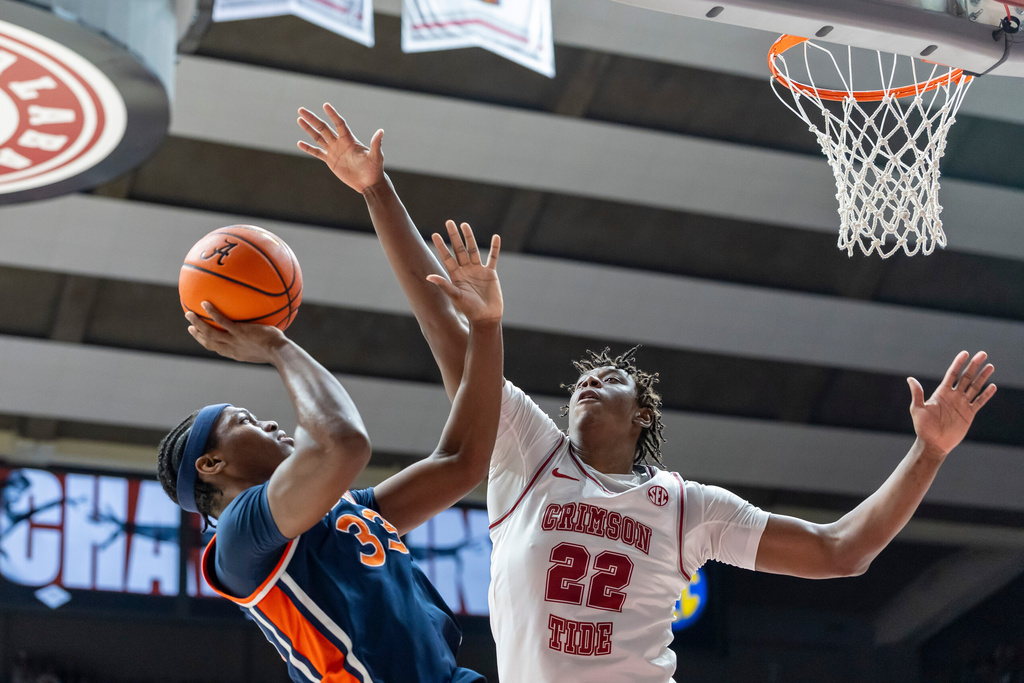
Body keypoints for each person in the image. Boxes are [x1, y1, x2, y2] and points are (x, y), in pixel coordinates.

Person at [297, 104, 998, 683]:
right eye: (582, 378)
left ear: (644, 415)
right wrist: (375, 189)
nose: (590, 379)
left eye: (614, 376)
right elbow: (447, 326)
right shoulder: (528, 452)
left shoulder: (687, 506)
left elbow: (841, 549)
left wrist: (929, 451)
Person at [156, 218, 503, 683]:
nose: (270, 422)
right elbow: (344, 443)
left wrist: (485, 326)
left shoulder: (341, 509)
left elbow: (463, 461)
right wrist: (275, 345)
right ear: (211, 464)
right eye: (245, 421)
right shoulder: (238, 537)